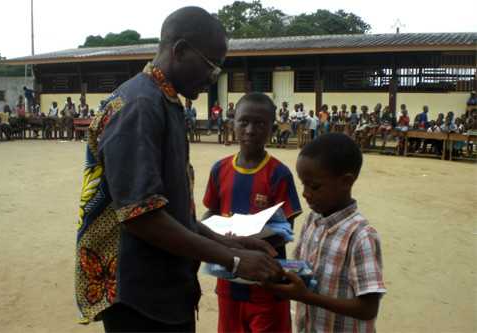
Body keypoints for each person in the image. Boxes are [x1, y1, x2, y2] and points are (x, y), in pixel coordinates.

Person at [74, 7, 283, 332]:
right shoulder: (140, 107)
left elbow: (168, 212)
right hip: (138, 295)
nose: (213, 78)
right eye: (211, 67)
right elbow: (142, 217)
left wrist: (231, 243)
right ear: (181, 50)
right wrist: (235, 261)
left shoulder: (163, 101)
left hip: (160, 288)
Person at [265, 133, 386, 332]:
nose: (304, 193)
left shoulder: (361, 236)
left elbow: (368, 308)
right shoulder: (313, 219)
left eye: (314, 186)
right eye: (303, 184)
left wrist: (307, 297)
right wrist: (273, 265)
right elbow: (301, 266)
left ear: (346, 182)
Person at [203, 92, 302, 333]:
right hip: (229, 280)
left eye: (260, 124)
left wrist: (250, 241)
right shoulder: (220, 169)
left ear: (272, 128)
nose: (250, 130)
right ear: (232, 123)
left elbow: (286, 231)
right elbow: (210, 213)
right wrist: (209, 229)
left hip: (267, 282)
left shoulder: (279, 174)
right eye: (244, 121)